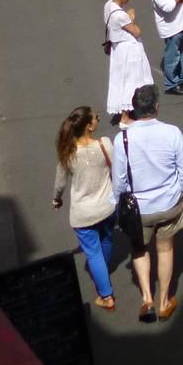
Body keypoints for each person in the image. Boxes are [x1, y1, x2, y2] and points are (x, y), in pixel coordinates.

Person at [111, 85, 183, 322]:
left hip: (139, 209)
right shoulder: (173, 133)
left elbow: (119, 182)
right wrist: (176, 191)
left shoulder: (122, 139)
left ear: (134, 110)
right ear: (156, 106)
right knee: (165, 249)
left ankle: (147, 298)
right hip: (168, 204)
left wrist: (120, 204)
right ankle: (165, 301)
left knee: (138, 249)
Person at [51, 106, 118, 312]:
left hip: (83, 213)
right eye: (96, 117)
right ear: (89, 126)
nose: (99, 119)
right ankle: (103, 271)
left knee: (93, 253)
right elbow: (117, 169)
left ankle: (106, 296)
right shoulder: (105, 144)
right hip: (108, 206)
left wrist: (56, 199)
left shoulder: (68, 153)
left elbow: (60, 183)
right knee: (106, 239)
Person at [104, 0, 153, 126]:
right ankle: (126, 117)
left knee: (121, 80)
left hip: (118, 49)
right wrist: (131, 18)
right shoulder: (121, 15)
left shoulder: (108, 5)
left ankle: (125, 112)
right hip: (128, 51)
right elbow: (137, 32)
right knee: (131, 81)